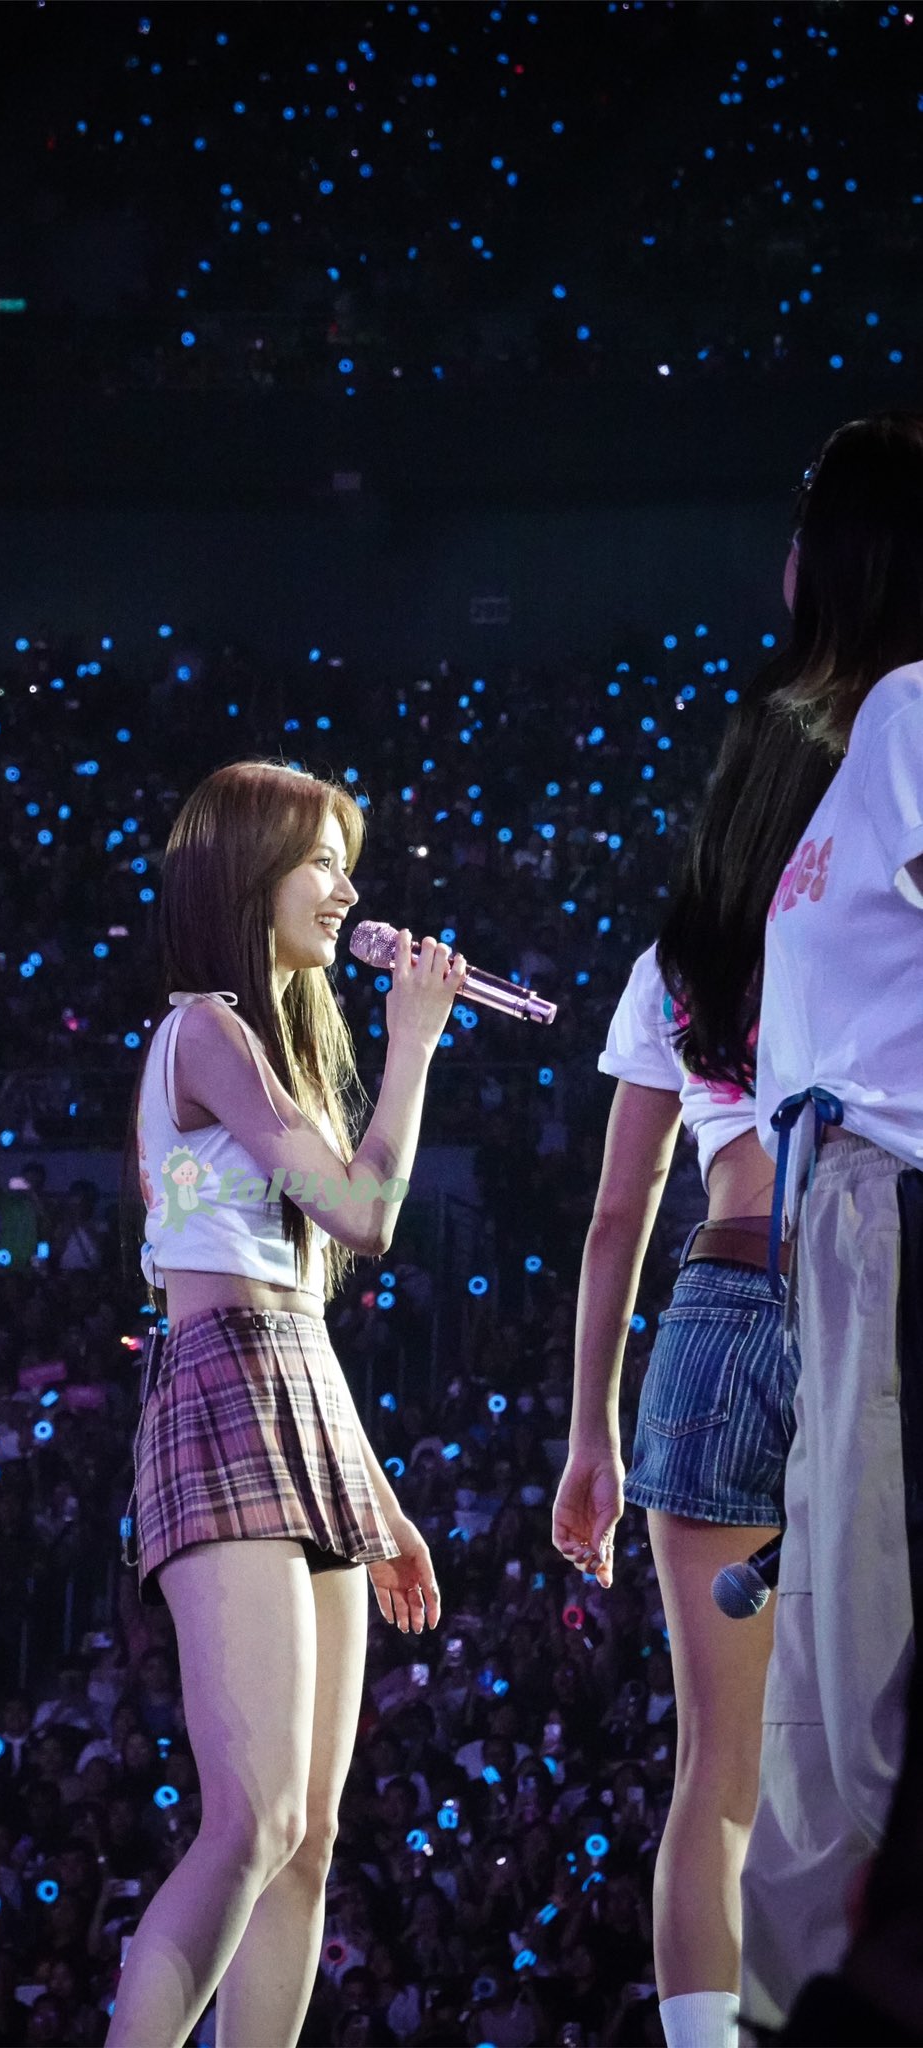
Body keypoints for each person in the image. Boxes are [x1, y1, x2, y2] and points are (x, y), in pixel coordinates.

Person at [107, 759, 462, 2048]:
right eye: (319, 861)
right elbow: (364, 1214)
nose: (345, 889)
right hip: (220, 1393)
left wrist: (380, 1500)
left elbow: (303, 1310)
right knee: (250, 1817)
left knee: (308, 1833)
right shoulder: (204, 1027)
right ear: (245, 872)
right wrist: (414, 1042)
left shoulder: (276, 1048)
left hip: (299, 1398)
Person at [552, 587, 834, 2048]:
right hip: (857, 1312)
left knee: (715, 1776)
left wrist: (586, 1437)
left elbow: (615, 1217)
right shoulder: (867, 927)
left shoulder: (672, 966)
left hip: (712, 1321)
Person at [739, 411, 923, 2029]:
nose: (784, 556)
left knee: (857, 1683)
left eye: (808, 521)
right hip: (838, 1227)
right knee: (818, 1696)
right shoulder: (863, 740)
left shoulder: (918, 708)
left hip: (888, 1211)